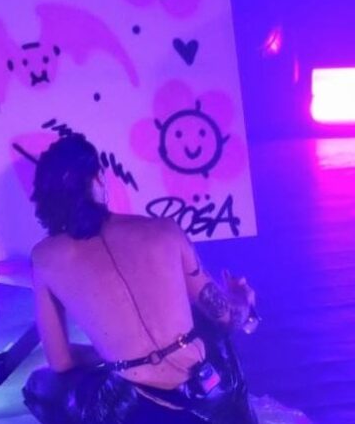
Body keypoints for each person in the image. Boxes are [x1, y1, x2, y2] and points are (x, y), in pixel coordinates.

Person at [22, 133, 260, 424]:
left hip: (137, 410)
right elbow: (227, 316)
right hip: (206, 398)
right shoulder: (164, 230)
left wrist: (113, 353)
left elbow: (60, 361)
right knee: (208, 326)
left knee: (38, 385)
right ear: (98, 179)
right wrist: (244, 301)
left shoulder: (45, 258)